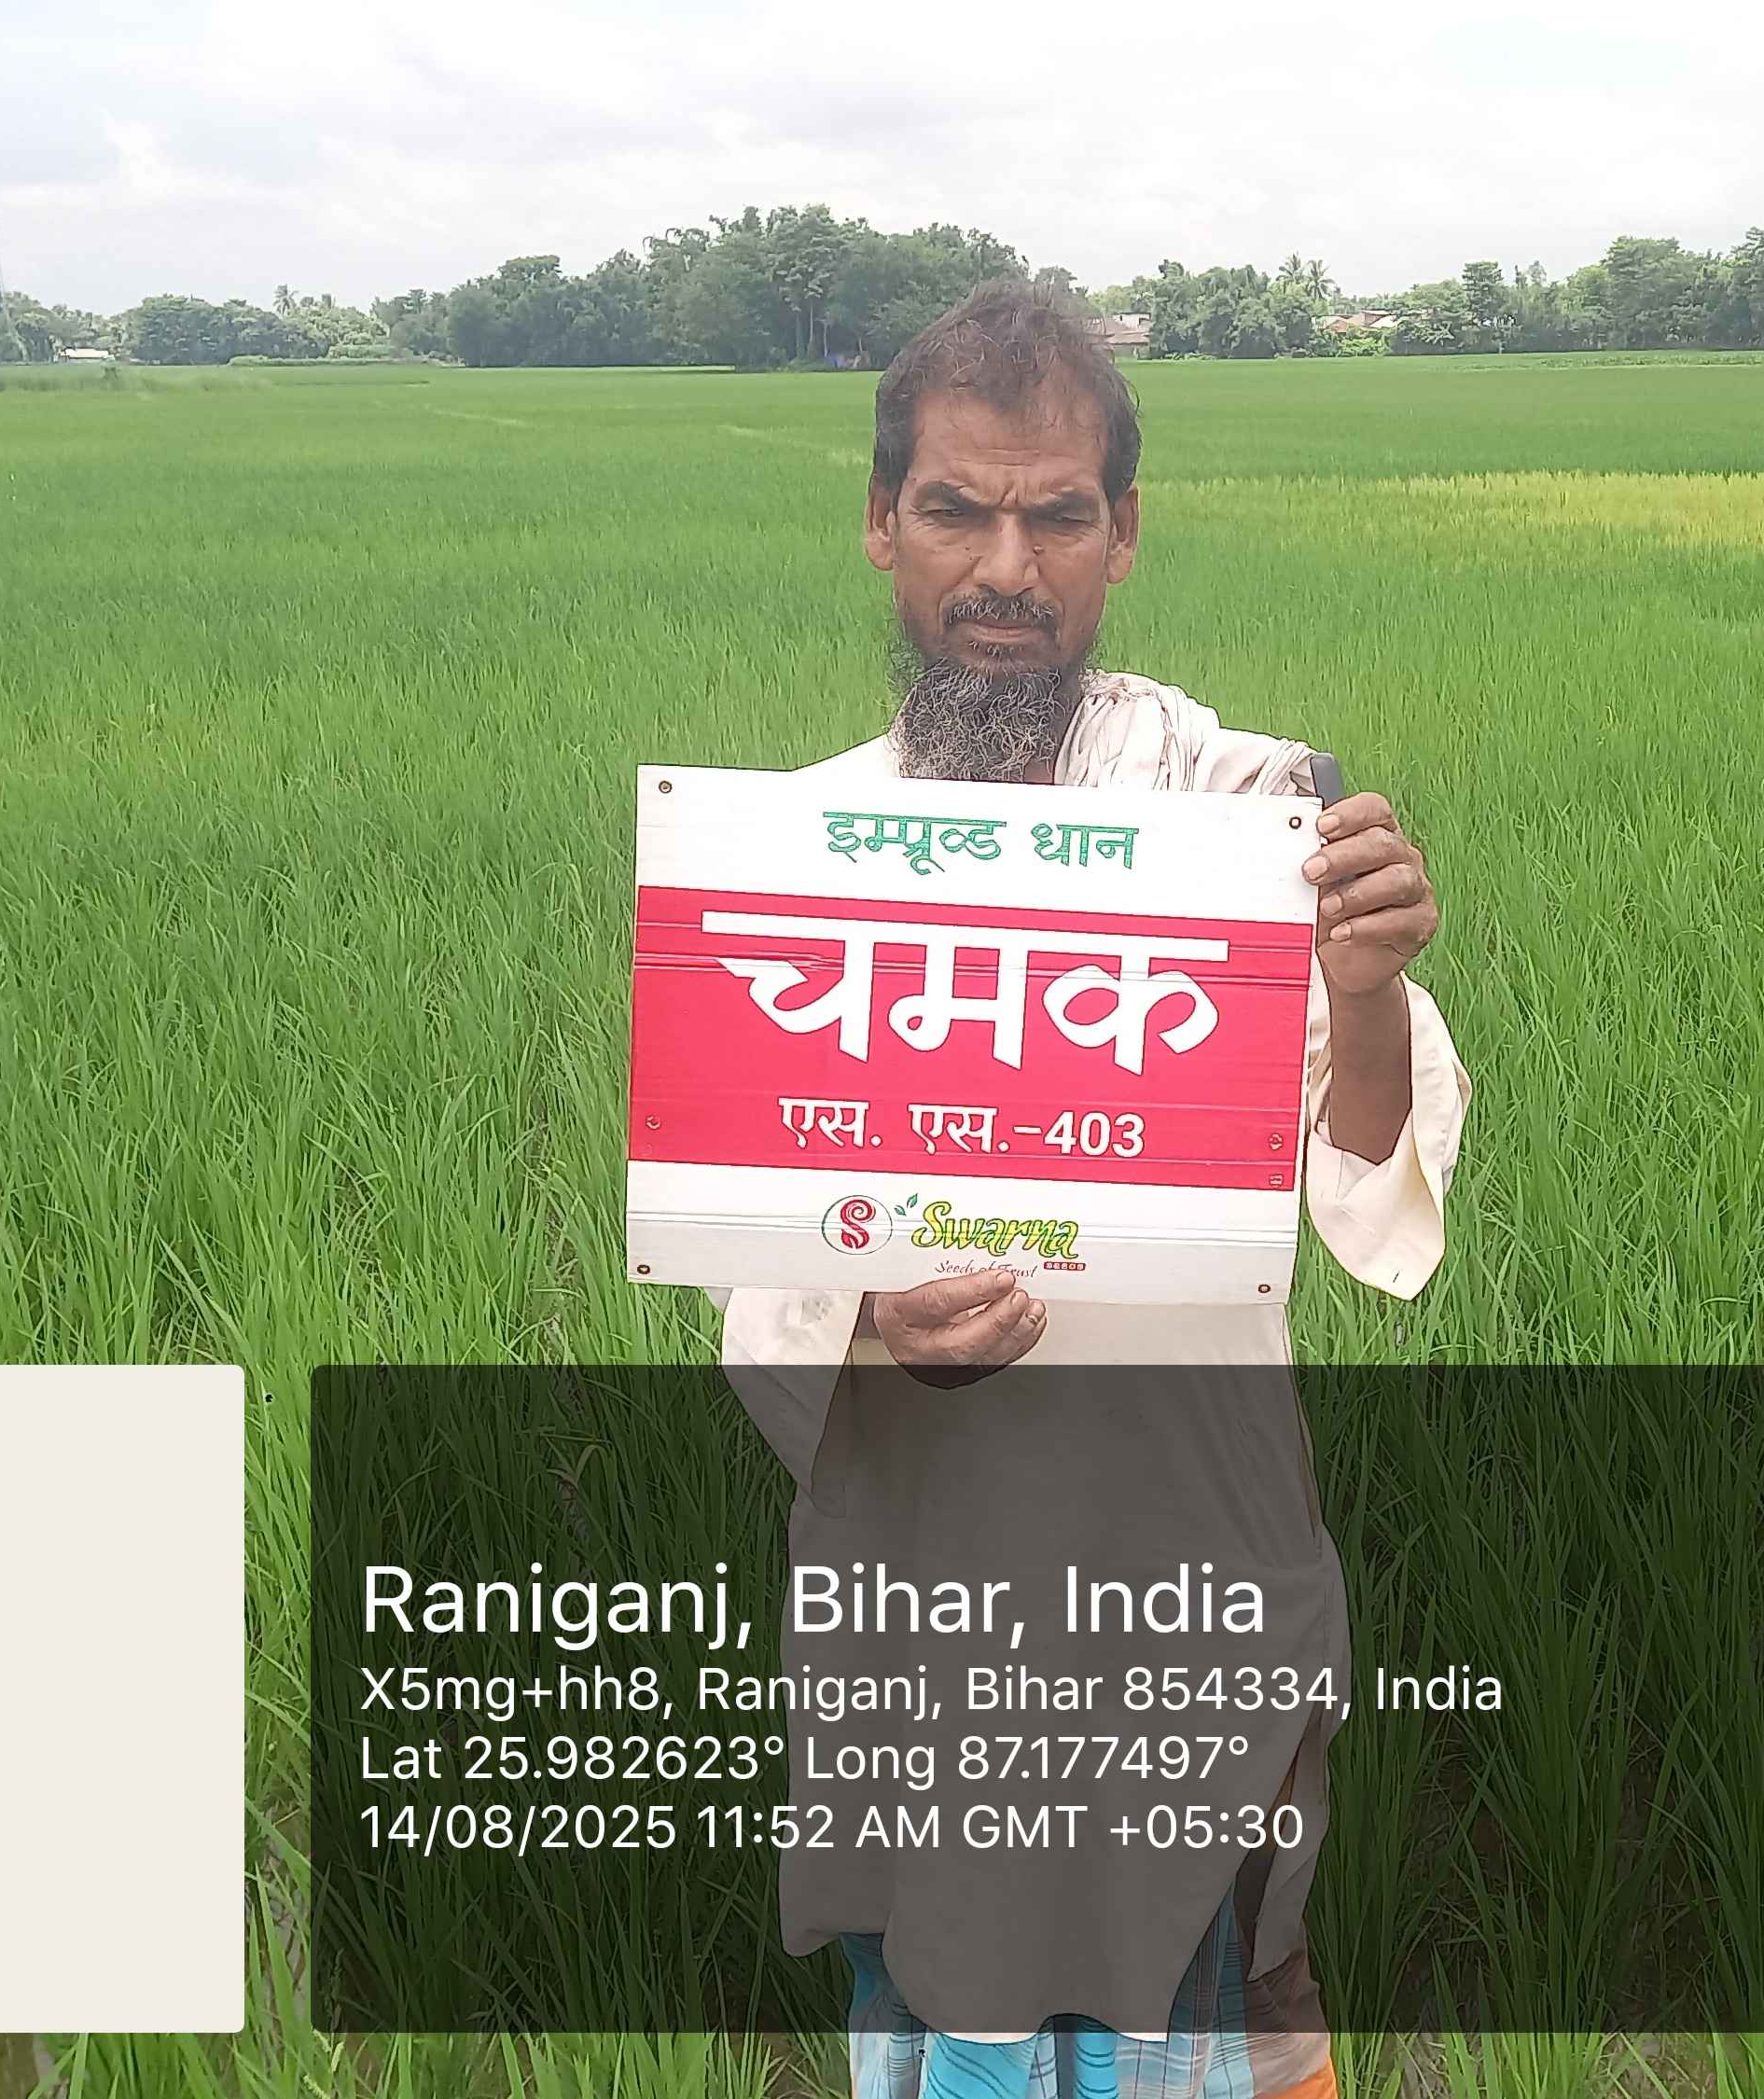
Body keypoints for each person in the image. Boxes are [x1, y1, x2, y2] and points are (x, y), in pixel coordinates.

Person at [714, 283, 1470, 2099]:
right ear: (880, 522)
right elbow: (751, 1248)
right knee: (947, 1988)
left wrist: (1362, 991)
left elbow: (1362, 1178)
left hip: (1184, 1563)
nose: (1006, 567)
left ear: (1121, 535)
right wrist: (870, 1319)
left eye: (1056, 515)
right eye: (956, 510)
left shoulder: (1240, 817)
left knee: (1216, 1992)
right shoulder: (800, 853)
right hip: (927, 1590)